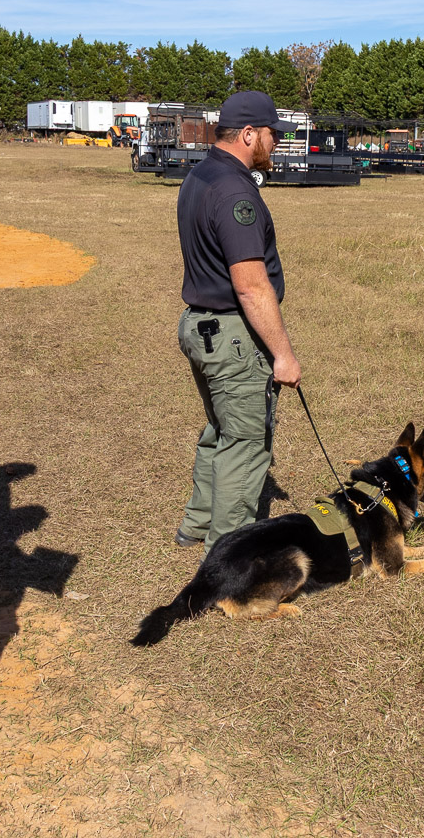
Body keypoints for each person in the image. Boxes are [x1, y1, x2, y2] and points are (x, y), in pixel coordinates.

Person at [174, 90, 303, 556]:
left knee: (221, 429)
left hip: (202, 328)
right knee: (246, 443)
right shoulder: (234, 192)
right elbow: (250, 285)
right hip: (232, 336)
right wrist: (283, 355)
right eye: (272, 135)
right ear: (249, 134)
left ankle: (197, 523)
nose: (276, 144)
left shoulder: (201, 174)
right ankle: (227, 558)